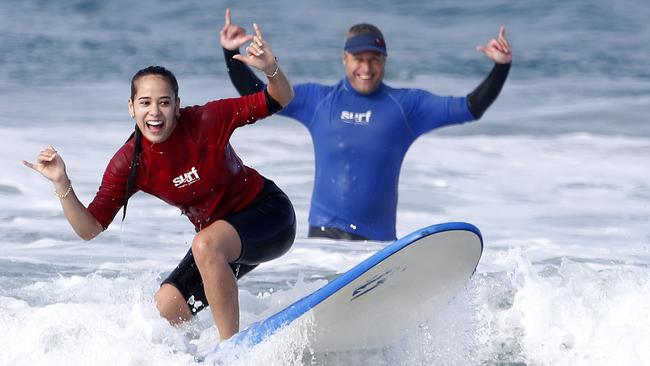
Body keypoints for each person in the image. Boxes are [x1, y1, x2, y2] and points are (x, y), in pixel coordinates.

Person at [22, 22, 295, 341]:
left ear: (177, 106)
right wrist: (61, 184)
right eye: (145, 102)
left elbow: (280, 99)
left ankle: (230, 348)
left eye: (164, 102)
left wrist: (271, 69)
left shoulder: (207, 121)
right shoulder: (130, 162)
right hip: (218, 245)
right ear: (131, 108)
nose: (155, 112)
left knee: (206, 243)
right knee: (163, 314)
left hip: (270, 216)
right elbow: (90, 228)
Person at [221, 9, 512, 242]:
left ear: (384, 62)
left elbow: (470, 108)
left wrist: (501, 67)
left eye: (374, 59)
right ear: (344, 59)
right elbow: (256, 95)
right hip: (323, 243)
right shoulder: (318, 101)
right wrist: (230, 55)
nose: (366, 67)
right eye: (358, 58)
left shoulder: (406, 106)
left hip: (379, 246)